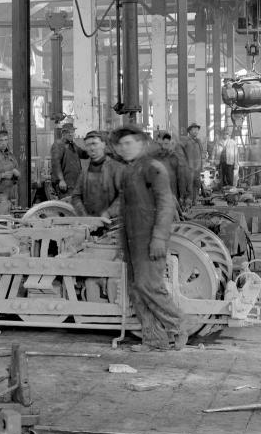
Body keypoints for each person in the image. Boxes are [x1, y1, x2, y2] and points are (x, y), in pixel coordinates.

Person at [113, 124, 183, 352]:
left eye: (129, 143)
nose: (124, 148)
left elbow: (166, 204)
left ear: (142, 144)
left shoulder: (153, 168)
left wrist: (160, 238)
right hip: (132, 240)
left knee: (149, 285)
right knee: (135, 289)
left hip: (149, 238)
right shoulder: (129, 171)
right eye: (121, 145)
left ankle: (179, 325)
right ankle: (154, 339)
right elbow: (126, 208)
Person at [68, 130, 125, 219]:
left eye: (95, 143)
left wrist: (109, 213)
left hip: (113, 224)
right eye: (88, 145)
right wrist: (84, 215)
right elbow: (76, 196)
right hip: (90, 224)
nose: (92, 148)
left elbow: (124, 195)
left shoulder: (117, 168)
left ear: (103, 144)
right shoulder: (85, 171)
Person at [152, 131, 190, 209]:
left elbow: (181, 177)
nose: (163, 146)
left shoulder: (174, 157)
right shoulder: (153, 158)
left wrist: (183, 195)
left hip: (171, 195)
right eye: (160, 144)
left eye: (166, 144)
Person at [49, 120, 86, 199]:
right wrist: (61, 180)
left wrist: (92, 148)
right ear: (63, 133)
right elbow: (56, 164)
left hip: (74, 184)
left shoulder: (72, 145)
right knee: (66, 207)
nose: (71, 134)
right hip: (65, 185)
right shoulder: (58, 145)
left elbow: (83, 154)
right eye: (68, 132)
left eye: (72, 132)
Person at [181, 123, 206, 207]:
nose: (196, 131)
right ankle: (188, 205)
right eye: (194, 129)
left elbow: (202, 154)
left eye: (197, 129)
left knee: (197, 186)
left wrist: (202, 166)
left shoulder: (198, 142)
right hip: (188, 170)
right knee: (189, 187)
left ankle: (195, 203)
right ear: (189, 131)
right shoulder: (185, 141)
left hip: (197, 170)